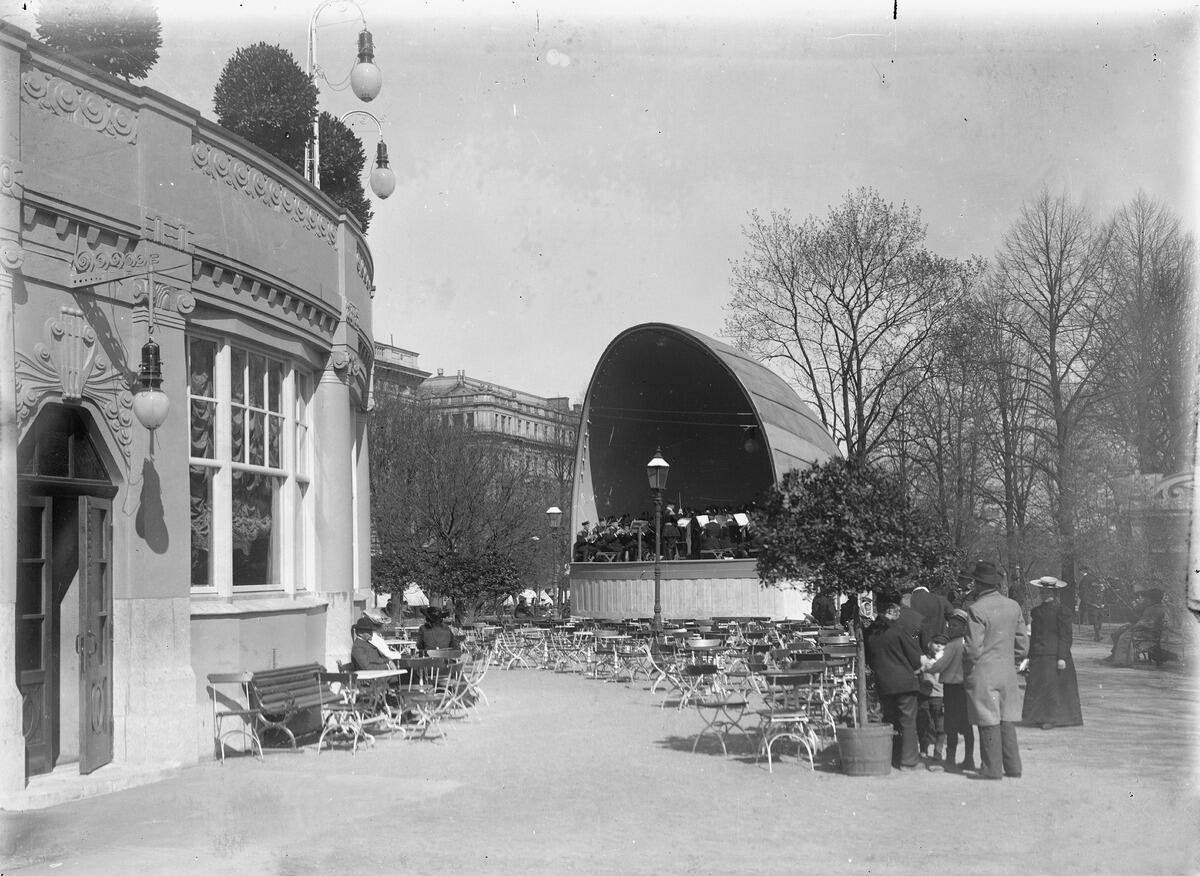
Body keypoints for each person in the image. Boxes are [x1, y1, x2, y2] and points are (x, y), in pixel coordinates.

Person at [963, 560, 1029, 780]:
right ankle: (1013, 767)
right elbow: (1023, 645)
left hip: (984, 672)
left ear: (979, 584)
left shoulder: (976, 609)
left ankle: (991, 769)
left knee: (987, 718)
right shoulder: (1013, 606)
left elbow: (973, 649)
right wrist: (1012, 661)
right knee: (1007, 718)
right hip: (1007, 671)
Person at [865, 599, 925, 770]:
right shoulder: (898, 630)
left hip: (883, 682)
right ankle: (909, 761)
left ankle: (894, 757)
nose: (899, 614)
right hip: (904, 682)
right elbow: (915, 658)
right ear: (890, 610)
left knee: (891, 720)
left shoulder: (869, 632)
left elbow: (869, 659)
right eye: (897, 610)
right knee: (907, 721)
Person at [1021, 577, 1083, 729]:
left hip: (1055, 655)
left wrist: (1062, 657)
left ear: (1054, 593)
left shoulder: (1062, 611)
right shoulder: (1036, 611)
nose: (1044, 594)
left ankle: (1052, 719)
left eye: (1048, 591)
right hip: (1039, 654)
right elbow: (1034, 636)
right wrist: (1029, 657)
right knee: (1040, 686)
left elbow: (1065, 636)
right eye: (1042, 591)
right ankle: (1038, 717)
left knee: (1053, 688)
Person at [924, 609, 975, 772]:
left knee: (951, 725)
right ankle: (969, 760)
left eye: (954, 625)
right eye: (949, 625)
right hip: (967, 688)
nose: (950, 628)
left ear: (964, 627)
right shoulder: (968, 642)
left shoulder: (953, 645)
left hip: (953, 688)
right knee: (967, 726)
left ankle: (951, 760)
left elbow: (940, 665)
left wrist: (926, 667)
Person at [1104, 588, 1167, 667]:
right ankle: (1117, 656)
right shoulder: (1152, 607)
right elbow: (1141, 619)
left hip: (1149, 632)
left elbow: (1148, 623)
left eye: (1147, 598)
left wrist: (1134, 627)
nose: (1146, 599)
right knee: (1121, 631)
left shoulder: (1155, 609)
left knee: (1124, 636)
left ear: (1152, 599)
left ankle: (1123, 661)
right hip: (1146, 630)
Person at [917, 635, 948, 765]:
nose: (939, 646)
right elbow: (916, 673)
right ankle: (923, 750)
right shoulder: (922, 659)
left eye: (942, 644)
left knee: (940, 726)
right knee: (923, 724)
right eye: (936, 643)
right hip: (924, 696)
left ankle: (938, 751)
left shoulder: (946, 660)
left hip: (939, 696)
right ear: (930, 644)